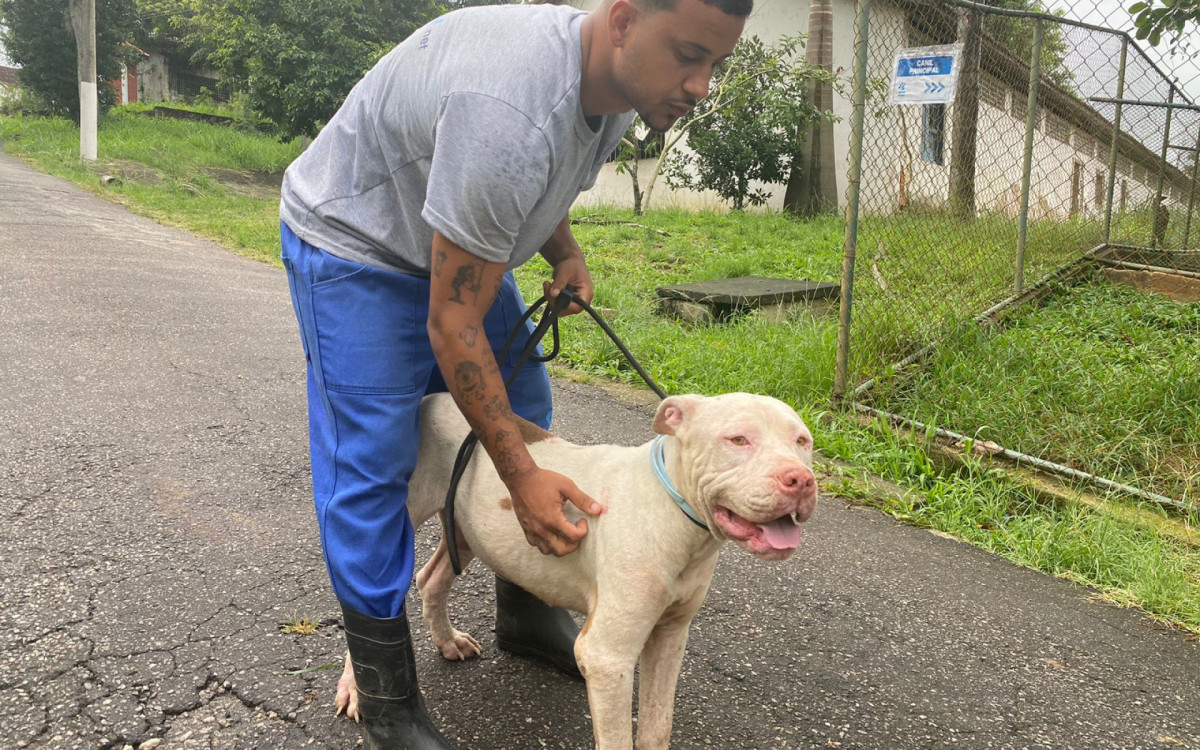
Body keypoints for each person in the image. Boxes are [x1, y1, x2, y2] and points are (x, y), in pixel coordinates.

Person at [278, 0, 748, 746]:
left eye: (714, 63)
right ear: (623, 20)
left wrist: (563, 250)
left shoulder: (625, 89)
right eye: (689, 54)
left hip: (458, 239)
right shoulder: (512, 103)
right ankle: (385, 693)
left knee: (523, 400)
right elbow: (451, 323)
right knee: (375, 460)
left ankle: (527, 613)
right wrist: (522, 478)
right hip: (357, 241)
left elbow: (541, 176)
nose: (701, 85)